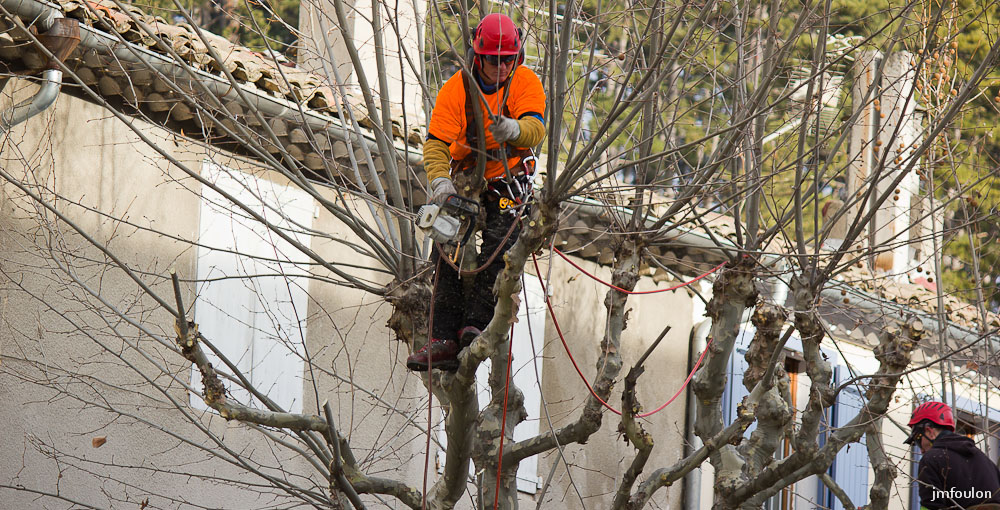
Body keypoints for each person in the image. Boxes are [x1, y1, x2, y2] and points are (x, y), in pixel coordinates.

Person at [406, 13, 546, 372]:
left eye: (507, 59)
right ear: (478, 56)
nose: (501, 67)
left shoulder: (524, 82)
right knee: (446, 249)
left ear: (517, 57)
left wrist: (514, 130)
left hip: (508, 178)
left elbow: (535, 127)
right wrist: (440, 180)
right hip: (467, 177)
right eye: (494, 59)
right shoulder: (457, 89)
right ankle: (442, 338)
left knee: (501, 244)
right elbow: (436, 143)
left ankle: (476, 323)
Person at [906, 401, 1000, 509]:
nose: (921, 450)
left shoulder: (931, 459)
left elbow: (931, 506)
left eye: (918, 440)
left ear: (929, 431)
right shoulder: (983, 459)